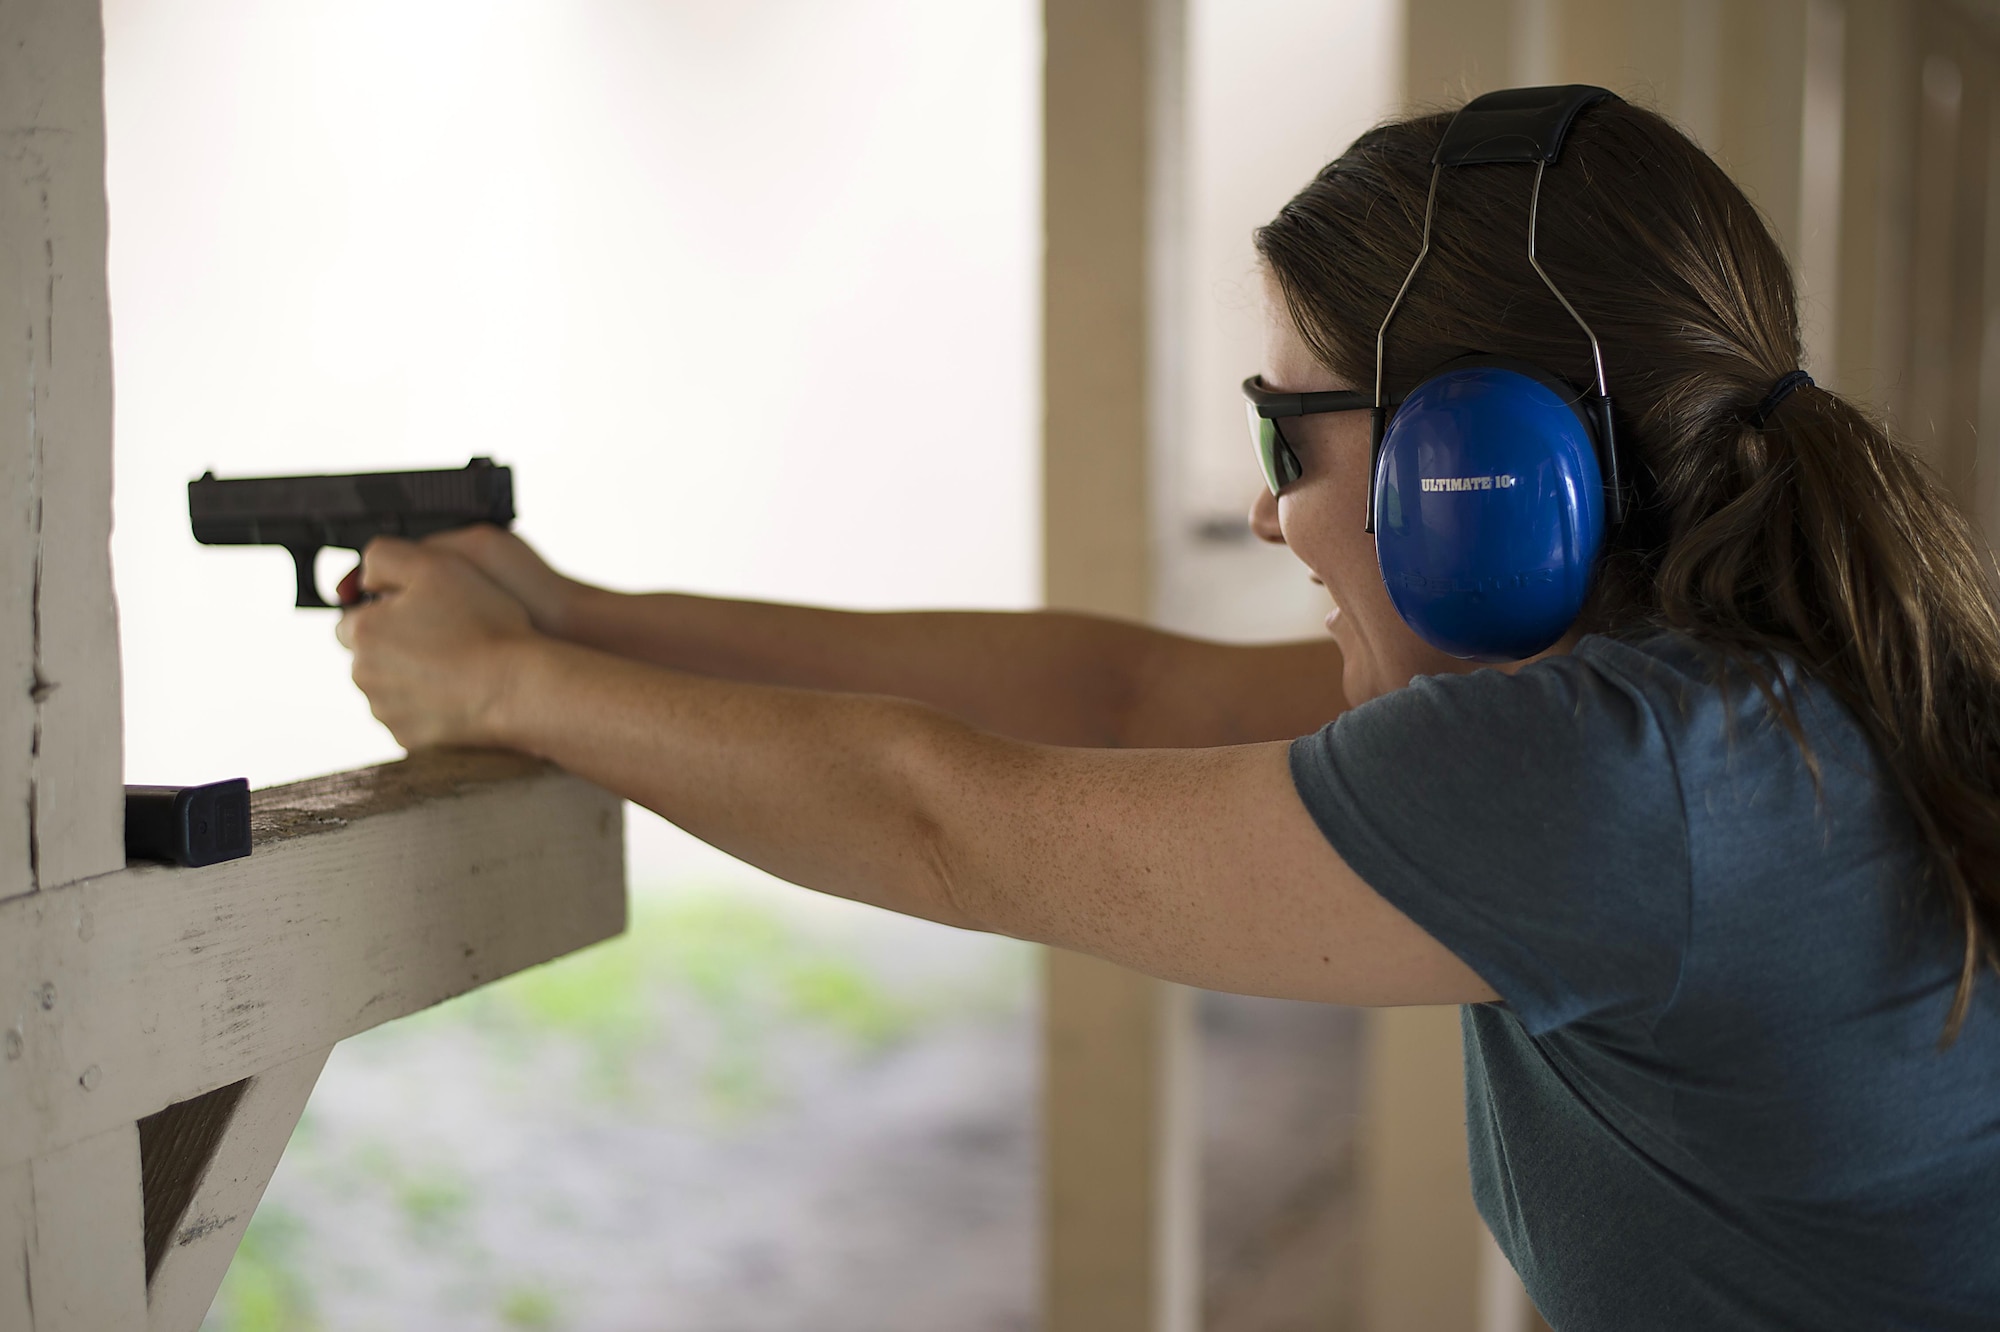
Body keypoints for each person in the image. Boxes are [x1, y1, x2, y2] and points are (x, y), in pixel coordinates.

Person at [336, 89, 2000, 1329]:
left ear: (1482, 469)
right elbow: (1131, 691)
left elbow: (955, 824)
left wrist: (502, 685)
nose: (1271, 511)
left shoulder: (1615, 777)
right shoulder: (1770, 692)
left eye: (1294, 437)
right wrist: (583, 619)